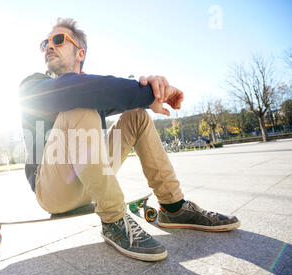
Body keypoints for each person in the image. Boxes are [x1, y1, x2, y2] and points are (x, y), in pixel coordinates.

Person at [18, 18, 240, 262]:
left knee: (136, 116)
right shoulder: (33, 85)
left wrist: (153, 91)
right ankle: (114, 220)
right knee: (78, 106)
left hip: (91, 180)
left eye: (58, 40)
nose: (49, 46)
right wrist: (146, 93)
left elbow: (103, 90)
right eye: (45, 43)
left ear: (80, 52)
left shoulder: (90, 88)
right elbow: (75, 89)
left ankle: (174, 208)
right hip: (53, 188)